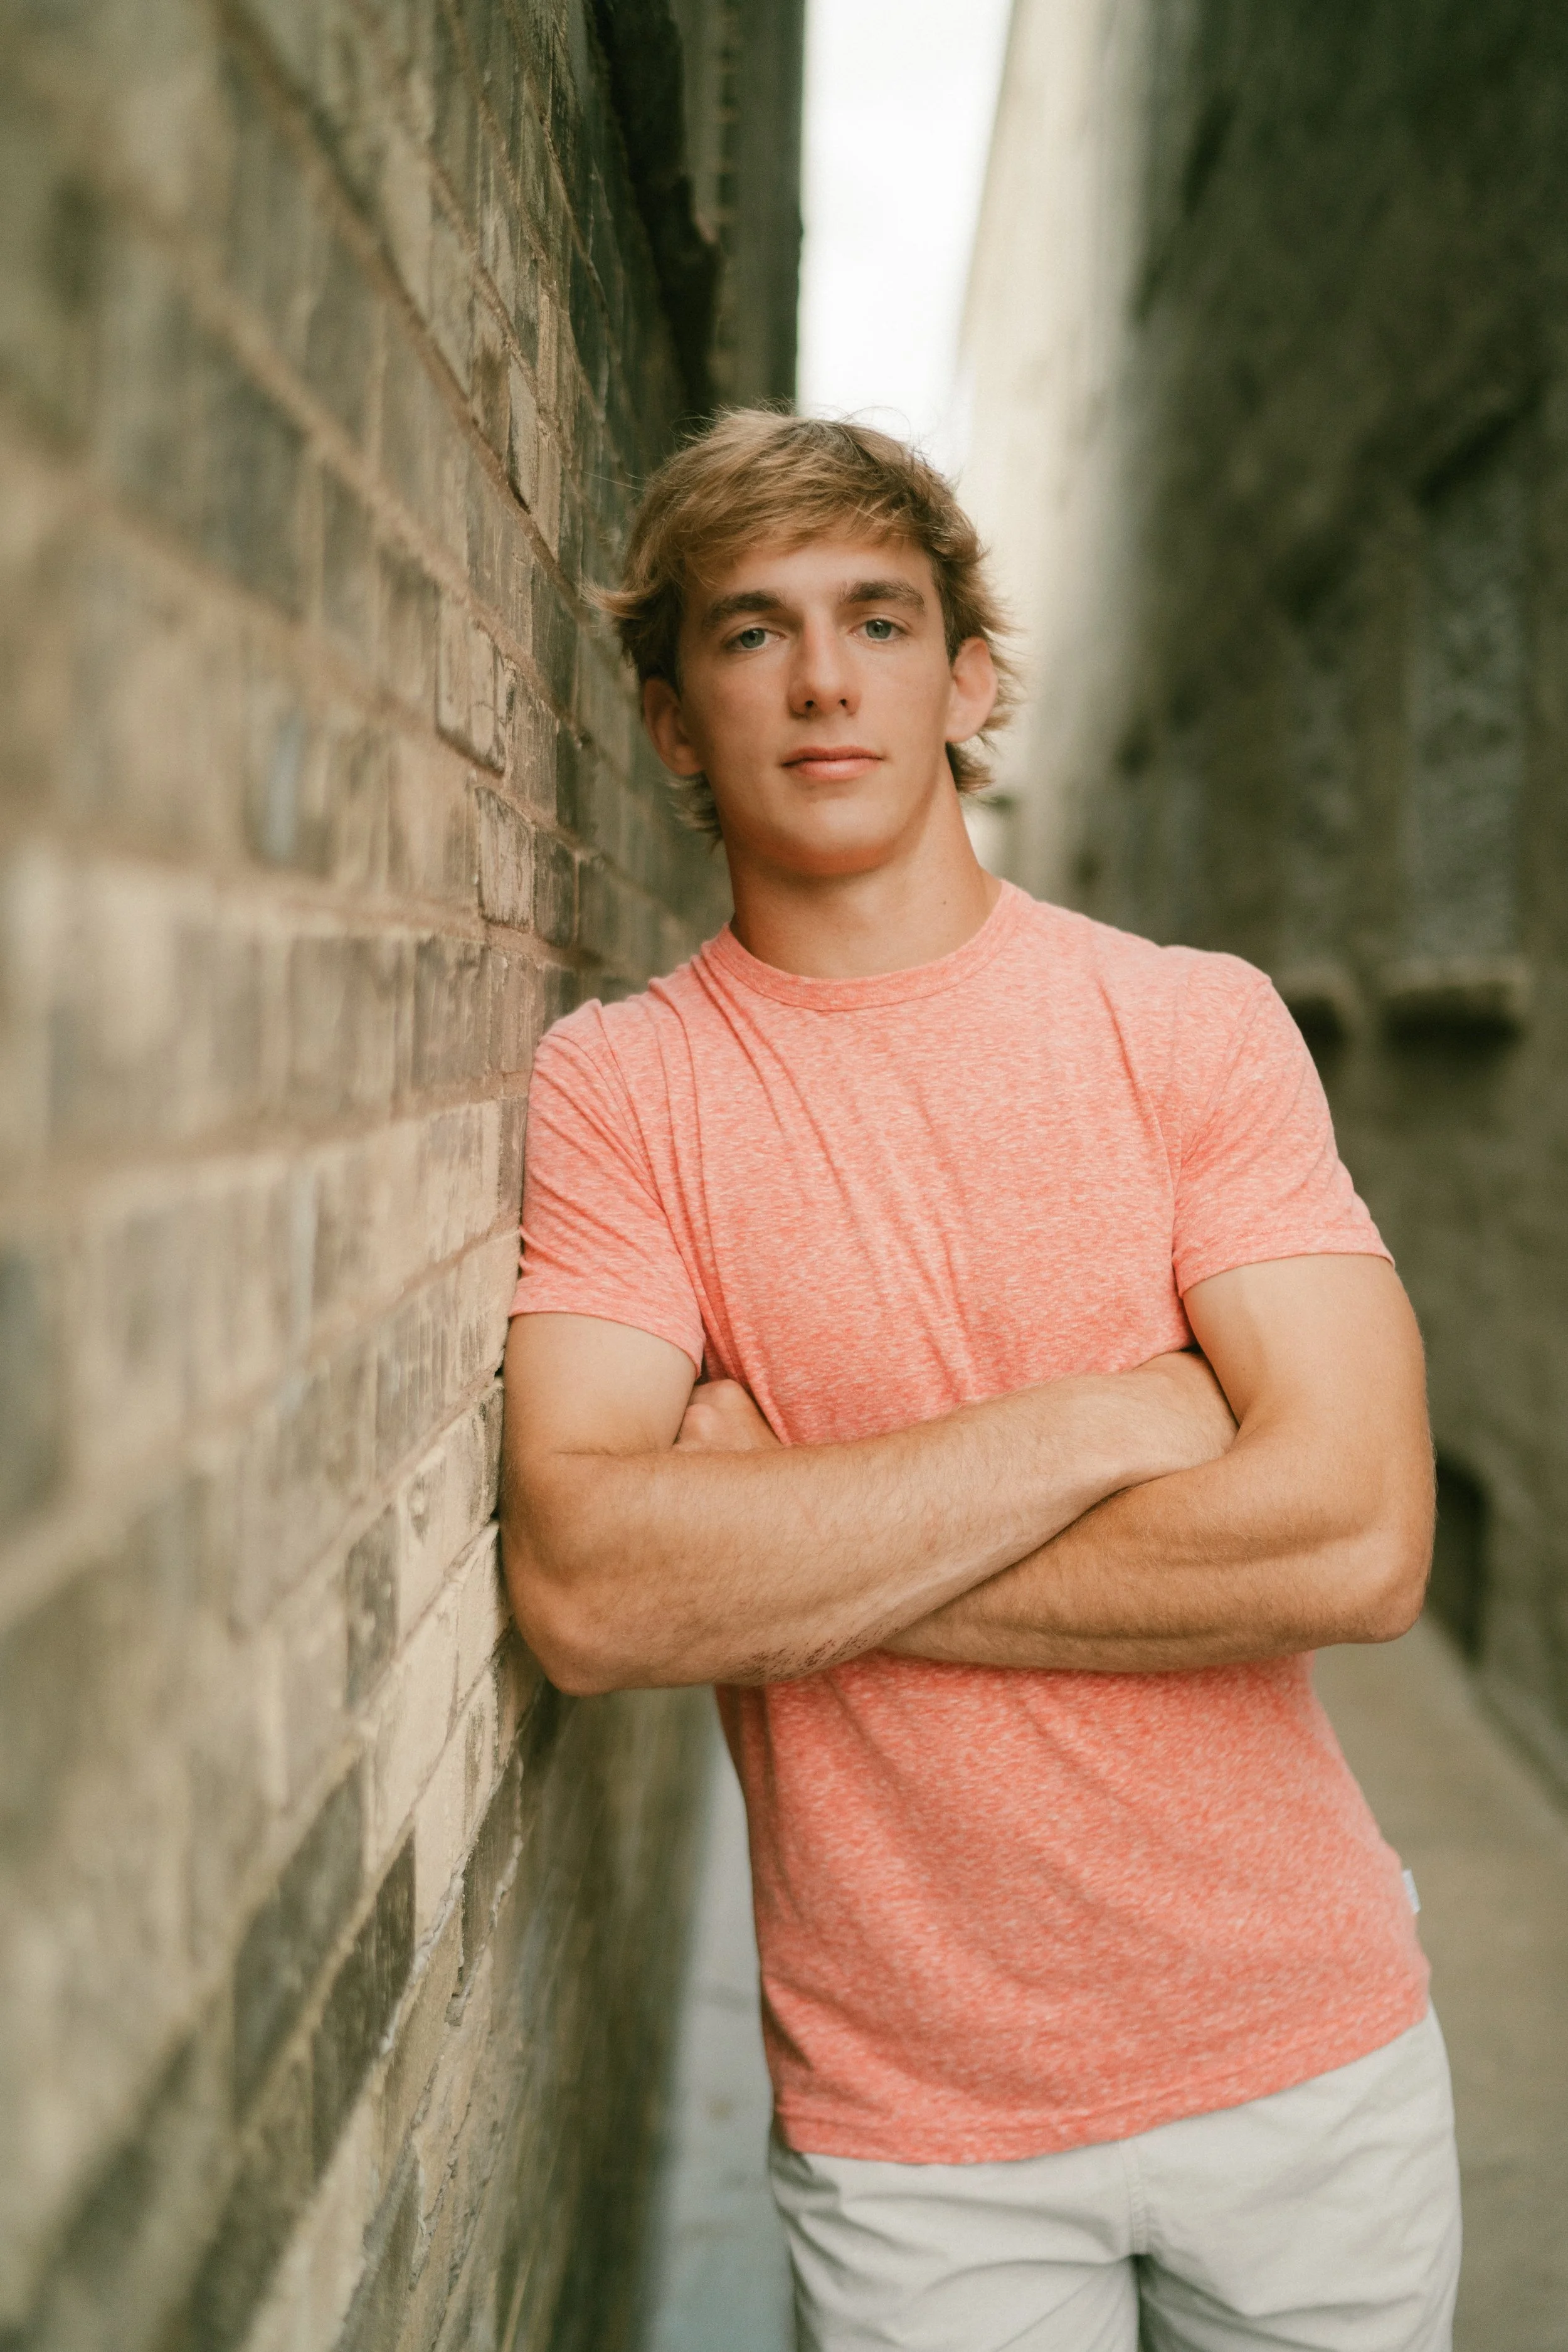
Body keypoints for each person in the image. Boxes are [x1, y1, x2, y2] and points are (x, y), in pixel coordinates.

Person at [499, 412, 1459, 2351]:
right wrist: (1111, 1418)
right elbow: (596, 1588)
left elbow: (1355, 1536)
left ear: (971, 672)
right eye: (751, 632)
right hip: (912, 2125)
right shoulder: (624, 1088)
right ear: (674, 719)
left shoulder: (1186, 1022)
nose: (826, 676)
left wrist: (792, 1542)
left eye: (878, 614)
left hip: (1305, 2054)